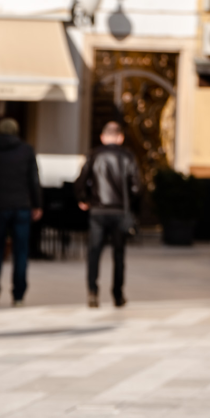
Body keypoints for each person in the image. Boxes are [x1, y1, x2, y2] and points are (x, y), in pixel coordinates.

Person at [0, 117, 42, 306]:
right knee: (21, 251)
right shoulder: (26, 150)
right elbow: (34, 180)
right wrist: (37, 205)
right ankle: (18, 295)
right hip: (21, 207)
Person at [74, 121, 142, 308]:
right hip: (119, 211)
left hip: (98, 210)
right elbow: (137, 188)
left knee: (94, 252)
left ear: (103, 137)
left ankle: (92, 292)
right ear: (120, 137)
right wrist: (132, 205)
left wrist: (83, 199)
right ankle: (118, 294)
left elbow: (80, 181)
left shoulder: (94, 155)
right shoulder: (128, 157)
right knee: (119, 255)